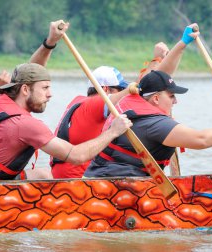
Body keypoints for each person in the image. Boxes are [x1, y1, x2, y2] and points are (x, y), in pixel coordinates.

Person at [83, 27, 212, 178]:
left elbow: (158, 75)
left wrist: (182, 44)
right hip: (116, 189)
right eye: (171, 96)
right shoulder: (155, 124)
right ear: (156, 98)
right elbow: (201, 139)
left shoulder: (132, 97)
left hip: (97, 177)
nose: (176, 101)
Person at [0, 61, 132, 181]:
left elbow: (29, 69)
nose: (50, 94)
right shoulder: (27, 125)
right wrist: (113, 132)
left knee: (44, 174)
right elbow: (76, 156)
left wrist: (50, 42)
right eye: (45, 88)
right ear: (24, 89)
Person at [50, 42, 171, 179]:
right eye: (120, 90)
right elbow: (137, 90)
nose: (123, 97)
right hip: (79, 181)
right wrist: (157, 60)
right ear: (105, 90)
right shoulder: (94, 104)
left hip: (66, 175)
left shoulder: (78, 100)